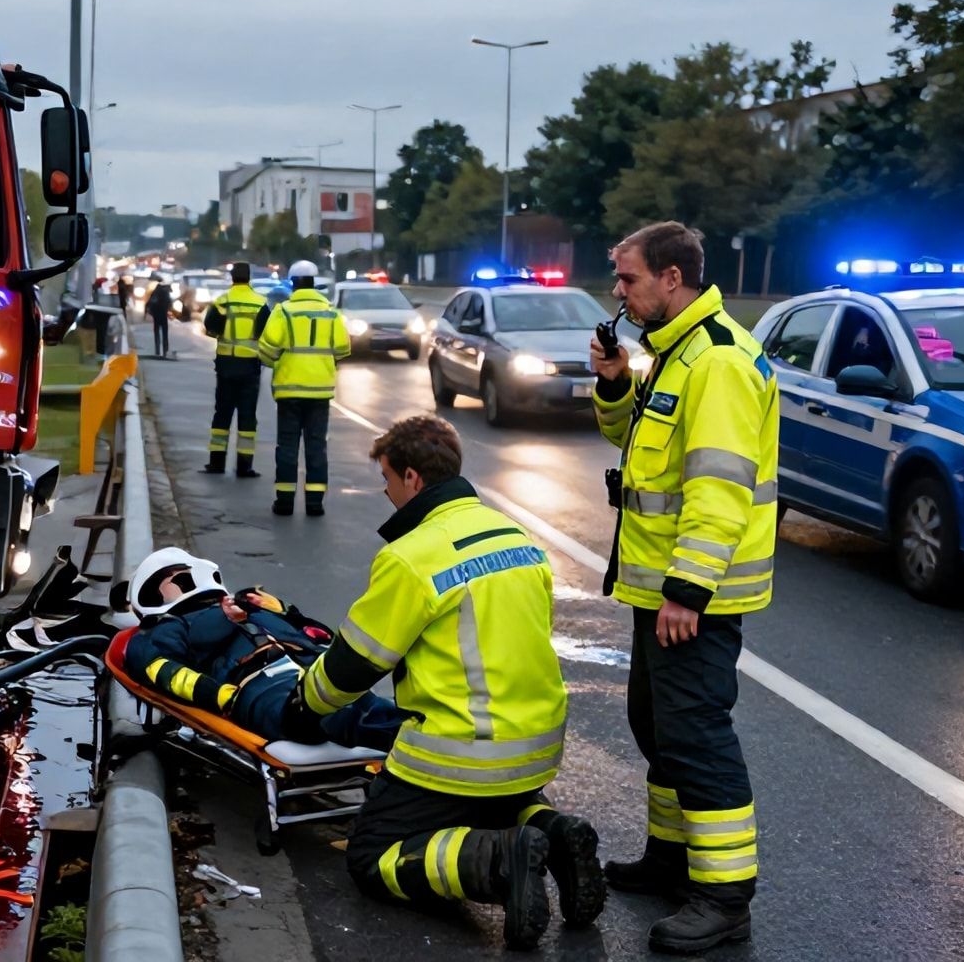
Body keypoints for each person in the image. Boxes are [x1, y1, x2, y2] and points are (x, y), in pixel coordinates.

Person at [282, 415, 605, 950]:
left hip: (456, 754)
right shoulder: (515, 537)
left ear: (412, 478)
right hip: (535, 747)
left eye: (386, 479)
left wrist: (304, 703)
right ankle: (551, 830)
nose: (385, 493)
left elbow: (355, 664)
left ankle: (498, 863)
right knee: (489, 805)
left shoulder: (412, 557)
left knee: (373, 855)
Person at [588, 221, 777, 954]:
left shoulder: (719, 362)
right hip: (656, 587)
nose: (618, 291)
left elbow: (719, 491)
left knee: (696, 738)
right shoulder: (672, 354)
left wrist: (688, 590)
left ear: (672, 278)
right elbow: (629, 446)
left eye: (628, 278)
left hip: (693, 596)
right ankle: (671, 860)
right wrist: (613, 383)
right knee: (656, 727)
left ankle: (726, 898)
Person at [120, 547, 405, 749]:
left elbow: (317, 635)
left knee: (375, 708)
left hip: (314, 670)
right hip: (261, 688)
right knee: (338, 719)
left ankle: (421, 732)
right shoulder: (163, 632)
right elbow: (166, 672)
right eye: (174, 580)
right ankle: (413, 738)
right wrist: (219, 696)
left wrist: (286, 612)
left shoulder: (248, 605)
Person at [256, 259, 348, 516]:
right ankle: (314, 503)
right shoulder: (331, 312)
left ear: (293, 283)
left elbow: (265, 350)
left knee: (287, 446)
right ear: (315, 283)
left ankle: (284, 502)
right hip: (320, 392)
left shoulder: (283, 312)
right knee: (316, 446)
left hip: (289, 391)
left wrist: (276, 362)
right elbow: (343, 349)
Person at [200, 262, 267, 476]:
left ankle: (216, 463)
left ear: (232, 277)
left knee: (222, 415)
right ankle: (244, 466)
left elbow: (210, 327)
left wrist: (223, 337)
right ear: (249, 278)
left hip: (226, 366)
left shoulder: (223, 301)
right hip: (250, 367)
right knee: (247, 418)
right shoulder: (260, 303)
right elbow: (268, 334)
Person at [144, 273, 173, 357]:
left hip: (157, 314)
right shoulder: (165, 292)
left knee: (157, 332)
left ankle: (158, 350)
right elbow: (168, 303)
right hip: (163, 314)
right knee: (164, 333)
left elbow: (150, 302)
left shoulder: (156, 291)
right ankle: (165, 350)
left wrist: (148, 312)